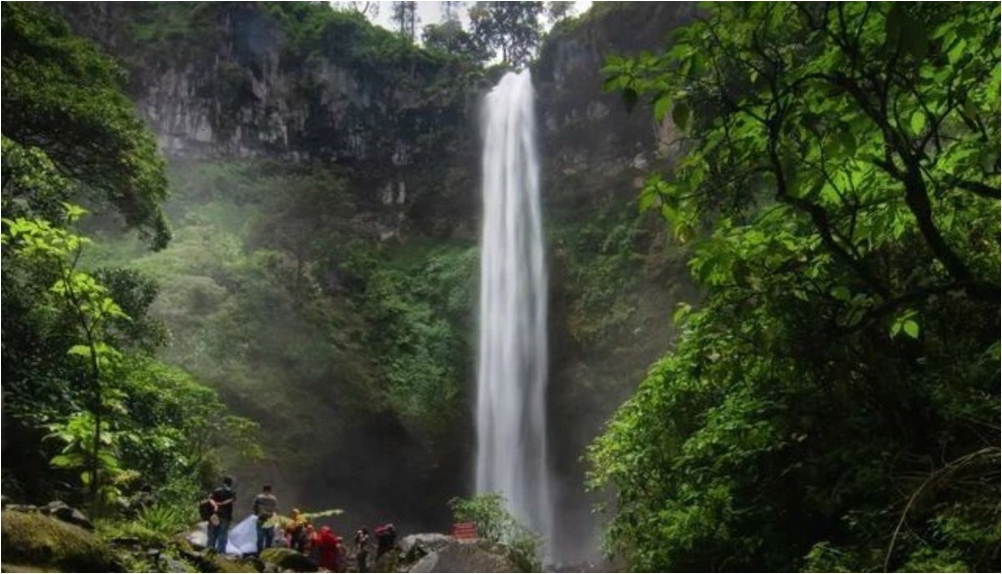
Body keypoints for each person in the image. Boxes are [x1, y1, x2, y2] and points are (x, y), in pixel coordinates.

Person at [207, 476, 236, 553]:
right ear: (231, 484)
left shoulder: (216, 491)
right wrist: (222, 504)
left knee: (212, 534)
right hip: (226, 516)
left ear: (223, 483)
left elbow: (210, 499)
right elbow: (231, 500)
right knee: (222, 535)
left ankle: (209, 550)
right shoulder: (232, 492)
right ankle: (221, 553)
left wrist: (215, 505)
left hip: (215, 515)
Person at [252, 484, 278, 554]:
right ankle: (267, 553)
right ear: (270, 490)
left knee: (260, 538)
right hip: (270, 520)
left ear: (263, 490)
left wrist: (256, 513)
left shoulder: (259, 497)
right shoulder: (274, 499)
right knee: (269, 538)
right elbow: (276, 509)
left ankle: (259, 553)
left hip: (261, 519)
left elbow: (254, 507)